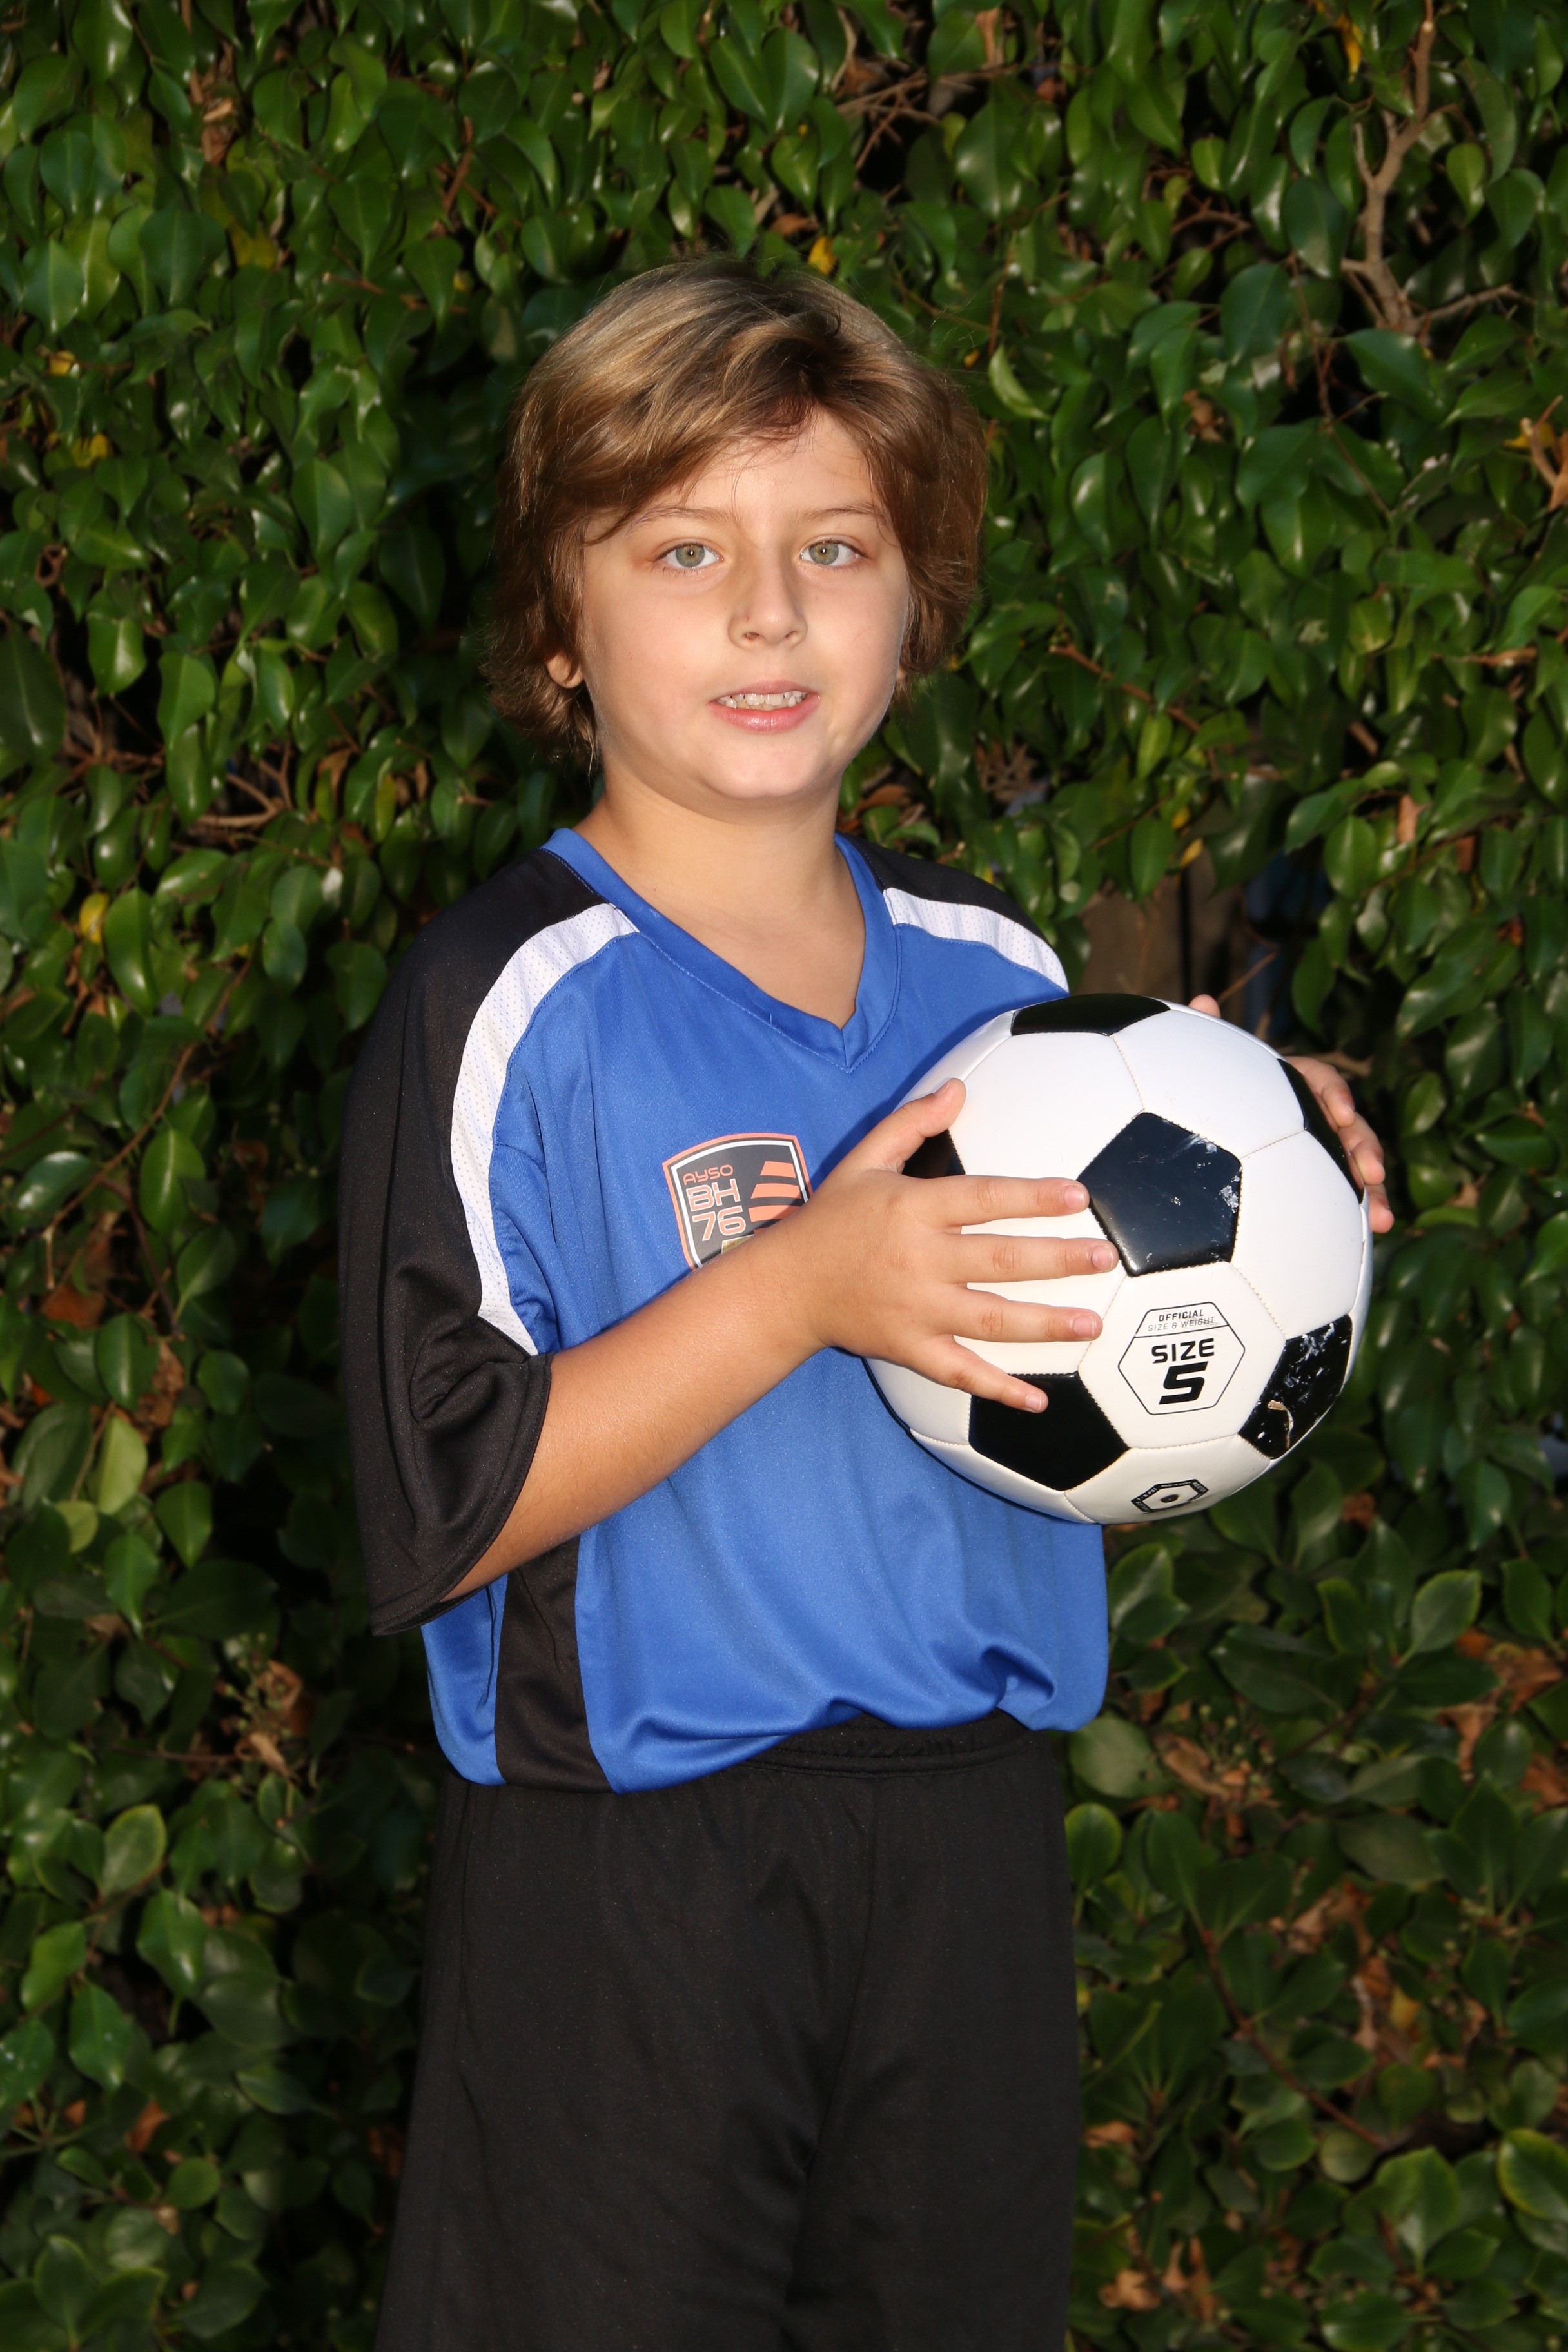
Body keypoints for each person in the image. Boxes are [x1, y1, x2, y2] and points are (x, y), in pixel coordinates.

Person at [339, 260, 1389, 2352]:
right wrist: (804, 1284)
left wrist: (1265, 1154)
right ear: (557, 628)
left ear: (915, 609)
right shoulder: (505, 1001)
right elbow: (440, 1504)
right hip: (624, 1889)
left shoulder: (1004, 985)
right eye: (683, 552)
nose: (768, 613)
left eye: (834, 550)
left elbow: (1117, 1295)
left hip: (969, 1853)